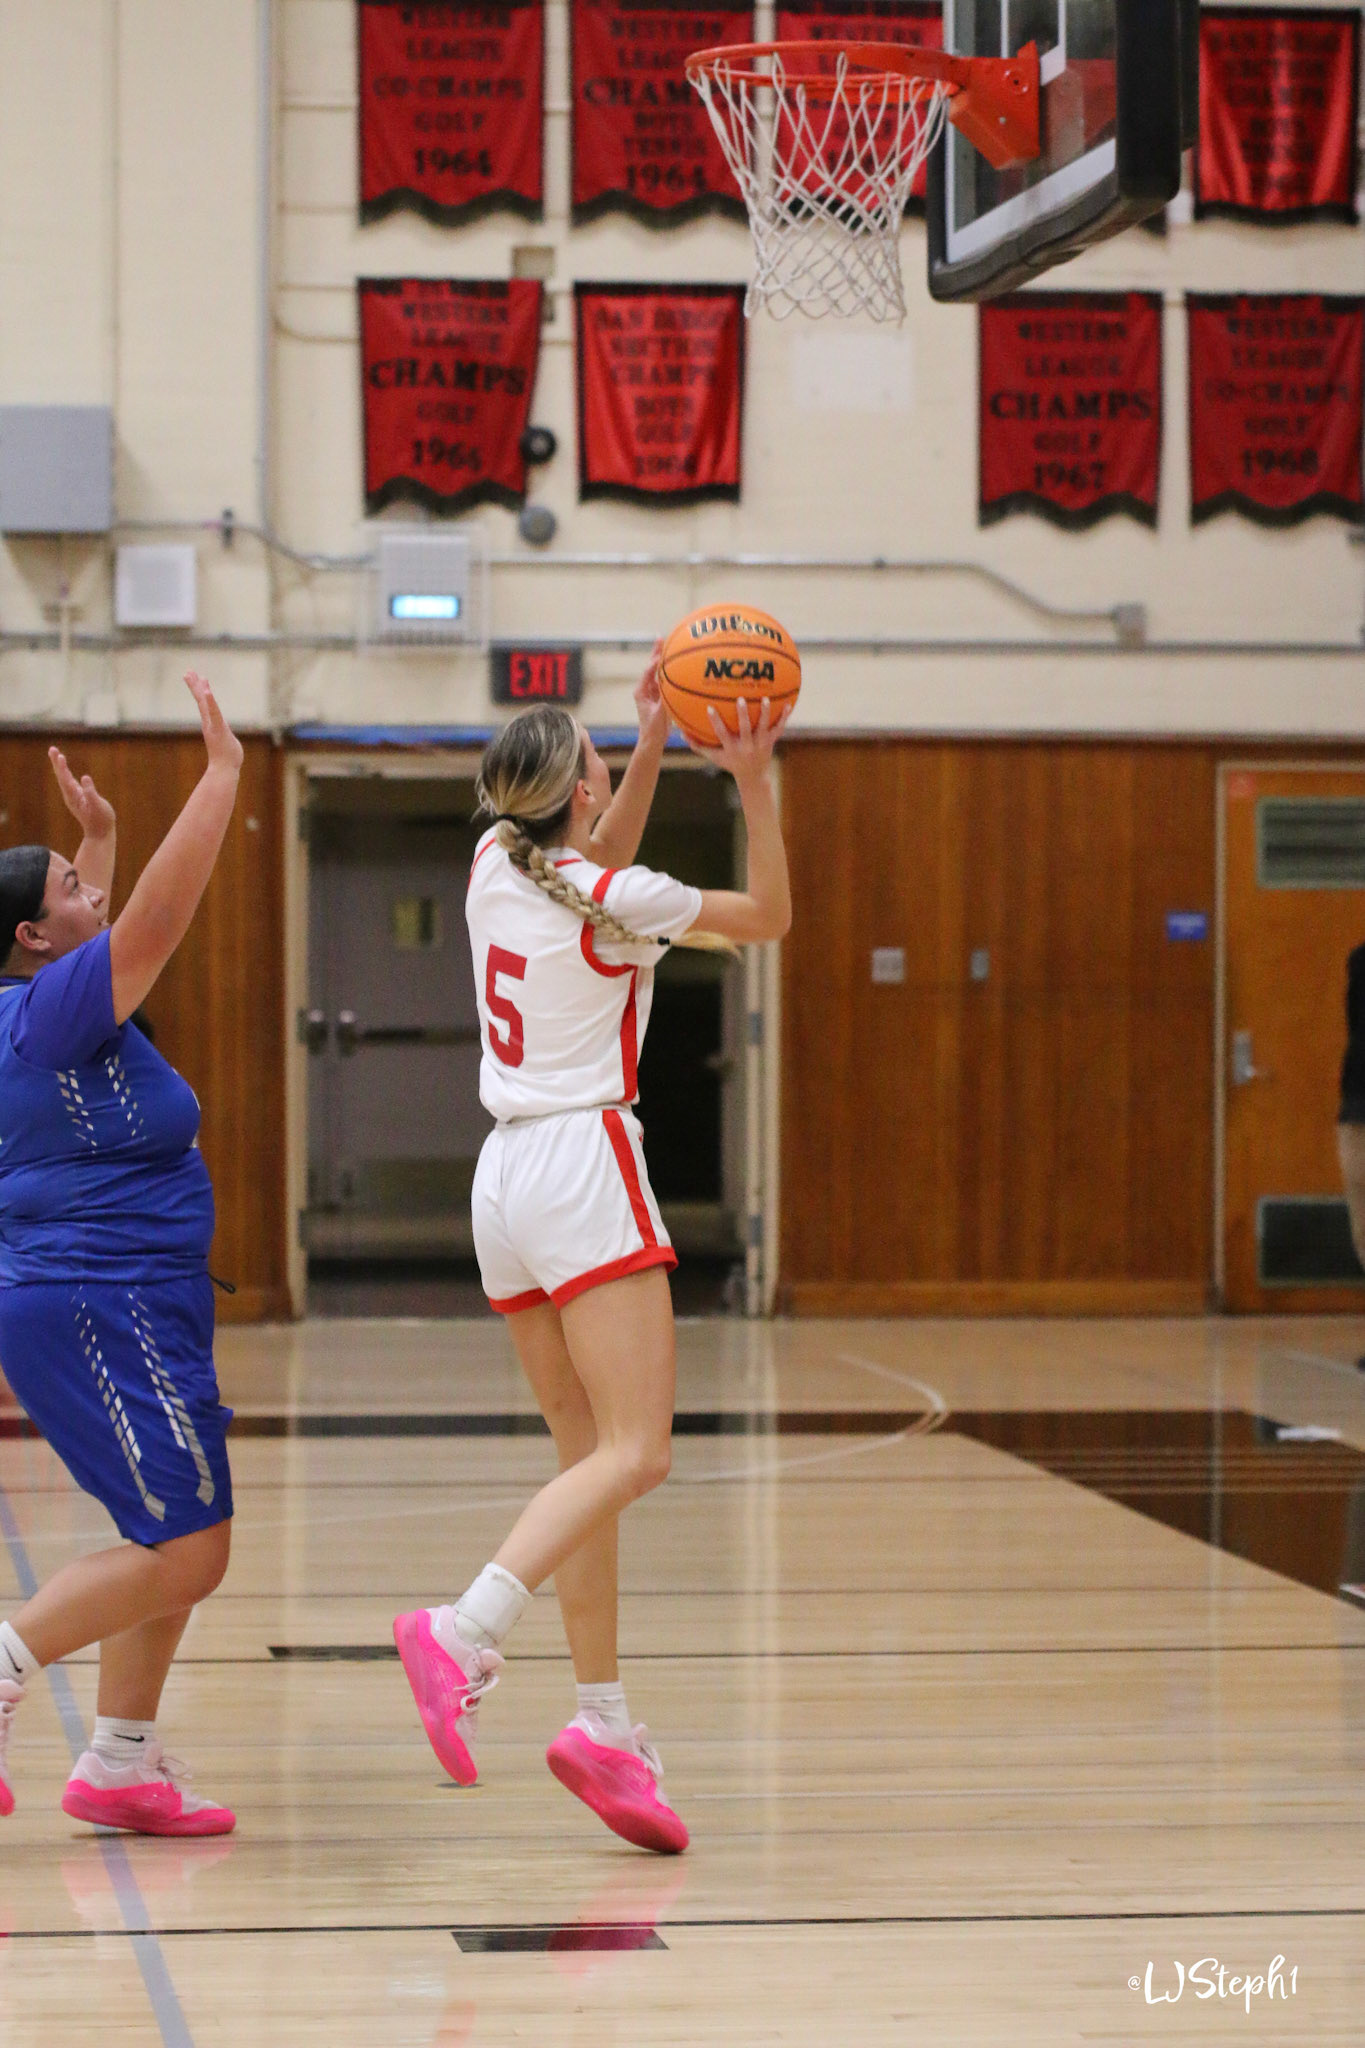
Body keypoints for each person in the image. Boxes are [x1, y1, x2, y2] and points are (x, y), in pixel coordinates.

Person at [394, 658, 791, 1853]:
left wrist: (652, 743)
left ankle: (604, 1723)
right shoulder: (628, 898)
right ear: (581, 791)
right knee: (638, 1451)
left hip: (503, 1177)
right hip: (582, 1161)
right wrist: (752, 780)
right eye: (603, 759)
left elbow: (588, 860)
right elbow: (770, 917)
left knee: (589, 1465)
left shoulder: (493, 862)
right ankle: (464, 1627)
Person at [0, 672, 243, 1835]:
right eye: (69, 883)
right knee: (189, 1546)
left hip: (132, 1296)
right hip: (100, 1299)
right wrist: (222, 776)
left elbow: (100, 919)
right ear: (31, 937)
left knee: (171, 1532)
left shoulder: (44, 1000)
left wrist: (94, 835)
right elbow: (148, 920)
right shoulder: (45, 1013)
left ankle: (120, 1762)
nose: (91, 885)